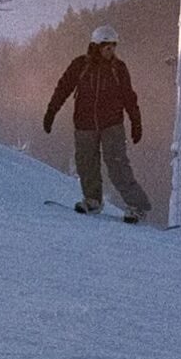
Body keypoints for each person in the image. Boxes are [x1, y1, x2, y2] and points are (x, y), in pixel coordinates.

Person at [43, 25, 151, 222]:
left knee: (118, 165)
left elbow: (129, 97)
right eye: (107, 47)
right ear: (95, 46)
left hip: (112, 126)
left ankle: (137, 206)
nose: (111, 52)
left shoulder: (118, 69)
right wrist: (51, 111)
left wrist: (136, 121)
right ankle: (92, 200)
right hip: (84, 125)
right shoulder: (80, 65)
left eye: (113, 47)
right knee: (86, 164)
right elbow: (63, 87)